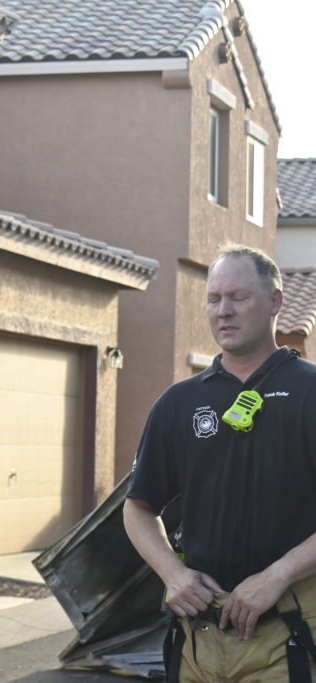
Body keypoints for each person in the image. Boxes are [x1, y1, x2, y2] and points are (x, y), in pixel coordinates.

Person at [124, 244, 316, 682]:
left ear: (275, 302)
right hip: (199, 638)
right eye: (214, 299)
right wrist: (173, 575)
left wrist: (276, 576)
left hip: (291, 632)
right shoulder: (178, 402)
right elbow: (138, 508)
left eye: (238, 297)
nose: (223, 311)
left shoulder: (310, 391)